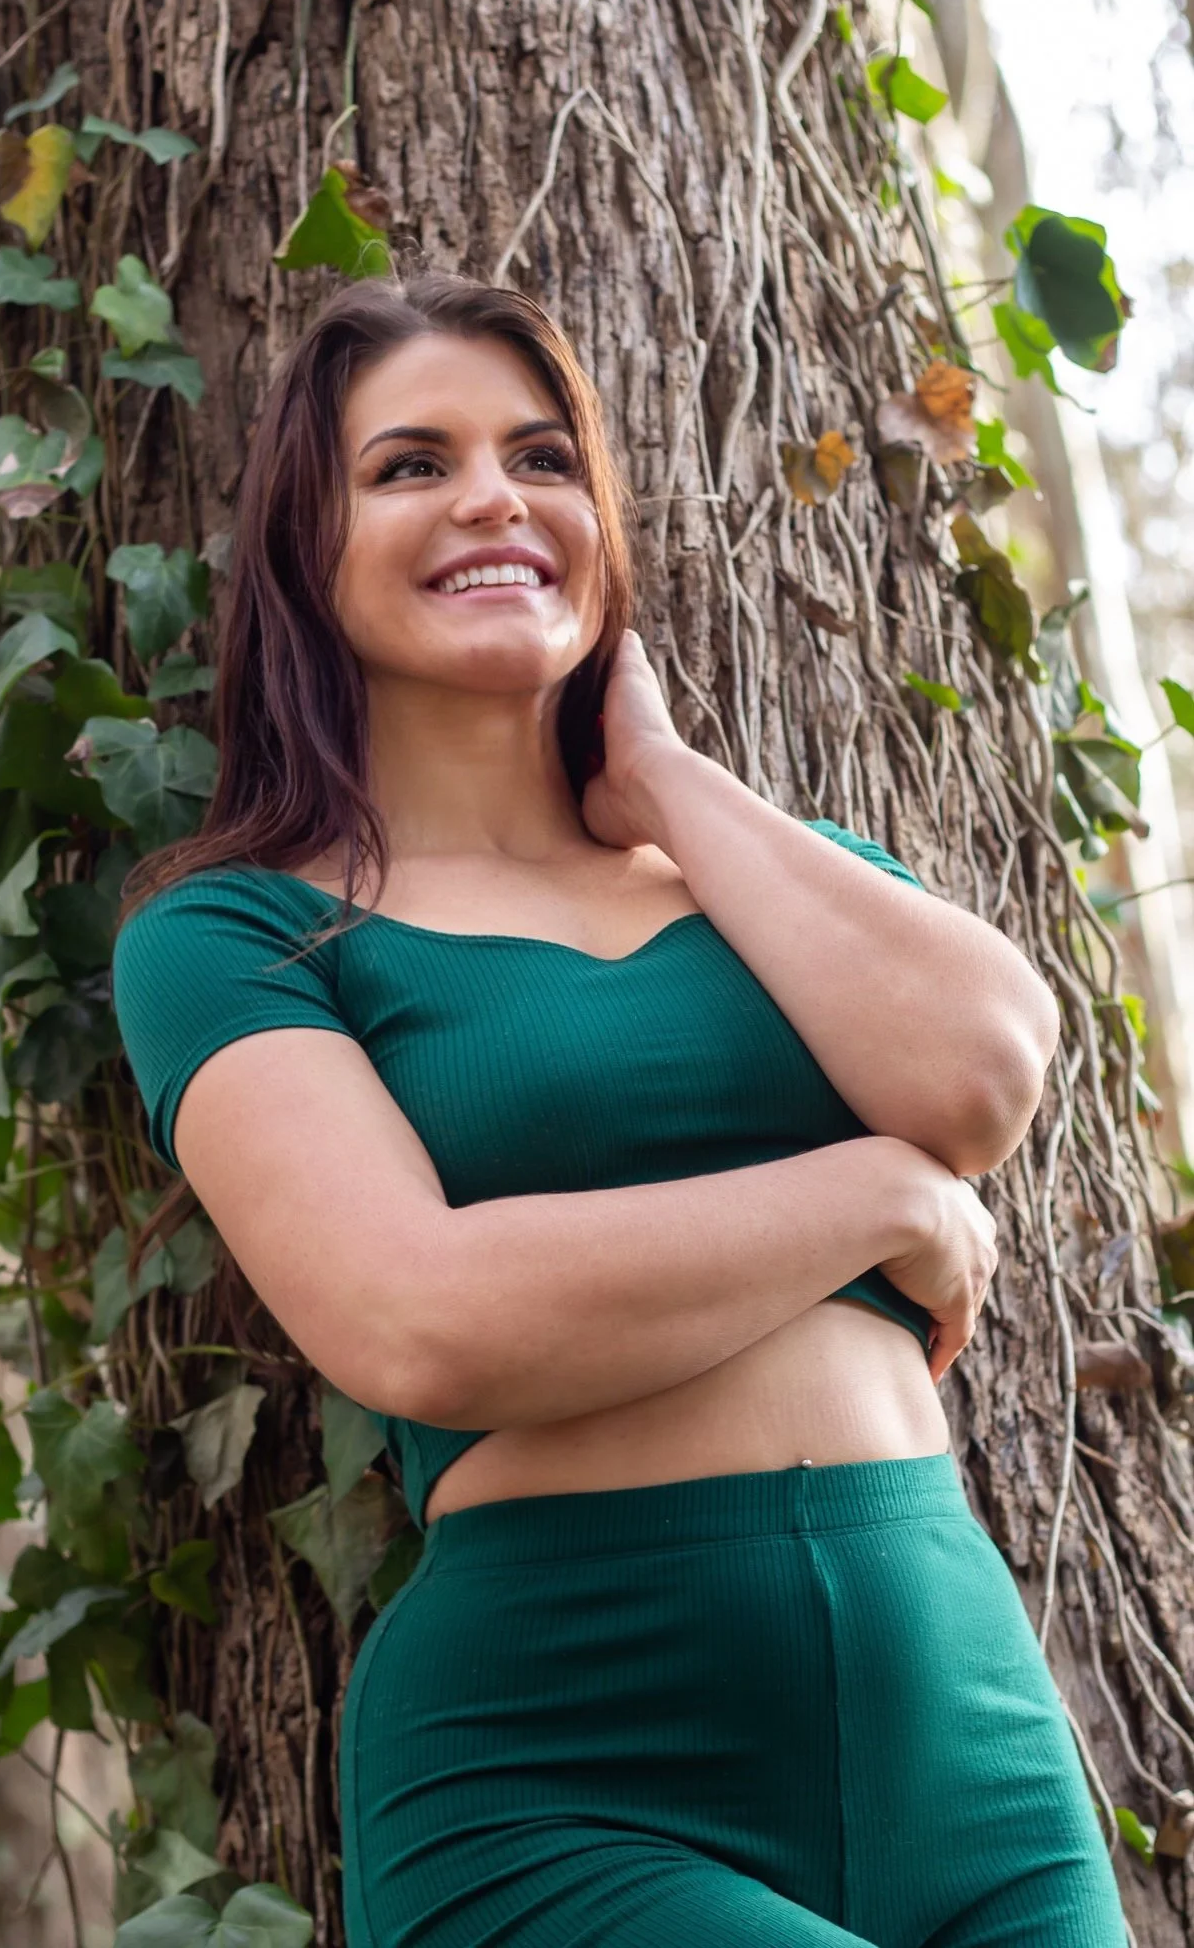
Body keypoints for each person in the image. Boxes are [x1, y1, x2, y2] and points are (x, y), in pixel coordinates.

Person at [111, 270, 1127, 1947]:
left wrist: (661, 777)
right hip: (564, 1768)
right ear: (307, 545)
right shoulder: (236, 932)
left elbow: (986, 1072)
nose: (494, 497)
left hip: (978, 1743)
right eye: (410, 465)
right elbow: (418, 1317)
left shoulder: (754, 875)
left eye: (542, 457)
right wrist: (876, 1204)